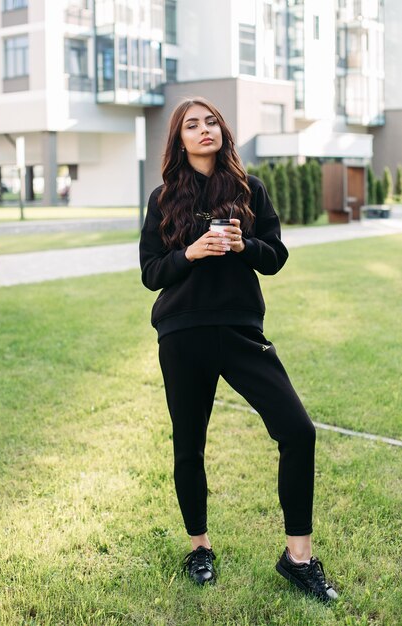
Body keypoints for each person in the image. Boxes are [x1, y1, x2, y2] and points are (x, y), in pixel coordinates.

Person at [139, 97, 338, 602]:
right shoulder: (163, 198)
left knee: (298, 430)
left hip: (240, 329)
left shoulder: (251, 190)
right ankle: (199, 547)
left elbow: (275, 257)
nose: (204, 130)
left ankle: (298, 559)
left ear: (223, 132)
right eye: (192, 124)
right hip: (182, 332)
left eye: (211, 122)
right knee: (190, 443)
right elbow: (151, 272)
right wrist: (189, 252)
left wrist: (241, 245)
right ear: (179, 139)